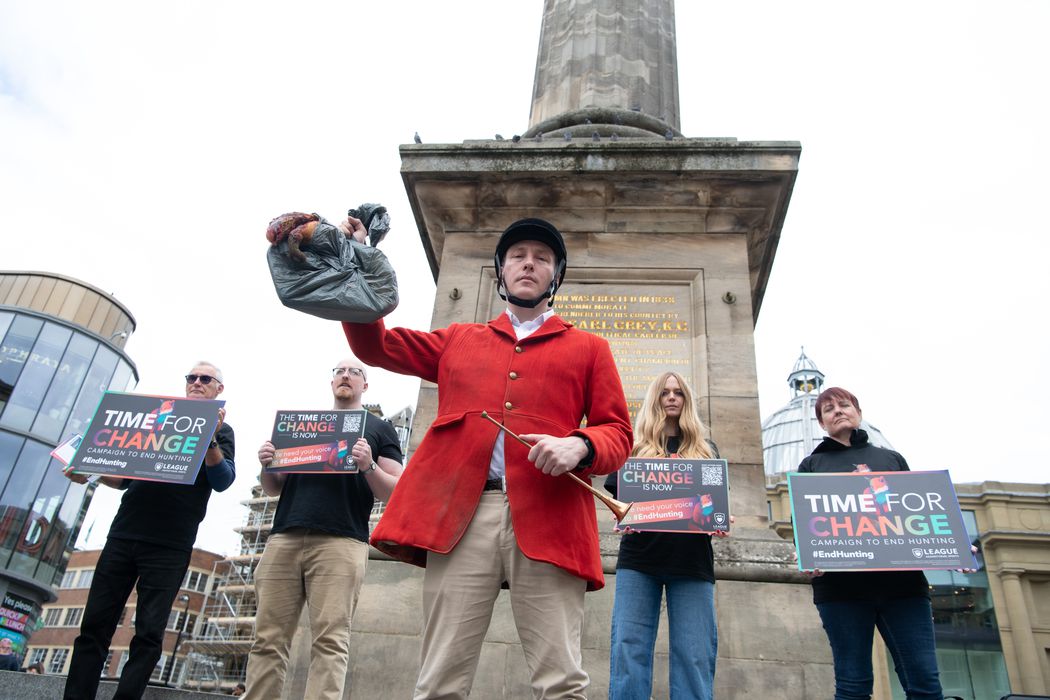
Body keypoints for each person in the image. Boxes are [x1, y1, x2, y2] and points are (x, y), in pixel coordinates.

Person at [343, 217, 633, 699]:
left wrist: (580, 444)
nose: (528, 263)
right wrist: (355, 263)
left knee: (562, 681)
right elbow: (374, 345)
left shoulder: (590, 348)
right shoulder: (457, 338)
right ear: (500, 271)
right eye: (517, 255)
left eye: (542, 258)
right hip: (460, 517)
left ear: (555, 276)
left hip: (551, 520)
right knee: (439, 681)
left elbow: (618, 432)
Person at [63, 361, 236, 700]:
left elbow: (223, 481)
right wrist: (89, 472)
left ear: (219, 389)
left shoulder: (223, 432)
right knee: (94, 626)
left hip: (170, 544)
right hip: (124, 535)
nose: (197, 382)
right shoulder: (153, 419)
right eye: (192, 377)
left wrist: (210, 438)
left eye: (205, 379)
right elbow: (124, 478)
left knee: (149, 633)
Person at [243, 357, 404, 700]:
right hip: (285, 536)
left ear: (365, 385)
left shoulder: (379, 428)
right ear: (332, 383)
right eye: (339, 371)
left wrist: (368, 465)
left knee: (330, 640)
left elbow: (395, 492)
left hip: (341, 540)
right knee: (267, 638)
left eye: (355, 372)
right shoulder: (303, 426)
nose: (346, 375)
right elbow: (273, 487)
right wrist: (267, 464)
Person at [798, 386, 944, 700]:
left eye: (844, 404)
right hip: (841, 591)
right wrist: (808, 556)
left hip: (903, 588)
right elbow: (806, 526)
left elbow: (917, 513)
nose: (837, 410)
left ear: (858, 413)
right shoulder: (811, 466)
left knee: (925, 683)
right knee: (853, 685)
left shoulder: (891, 459)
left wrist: (952, 545)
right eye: (828, 409)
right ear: (822, 424)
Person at [604, 372, 726, 700]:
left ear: (686, 401)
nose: (672, 398)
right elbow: (618, 503)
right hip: (639, 560)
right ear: (655, 400)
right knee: (629, 649)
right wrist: (624, 517)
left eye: (678, 393)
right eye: (664, 393)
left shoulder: (706, 451)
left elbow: (717, 506)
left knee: (694, 654)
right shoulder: (634, 449)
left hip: (692, 563)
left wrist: (721, 521)